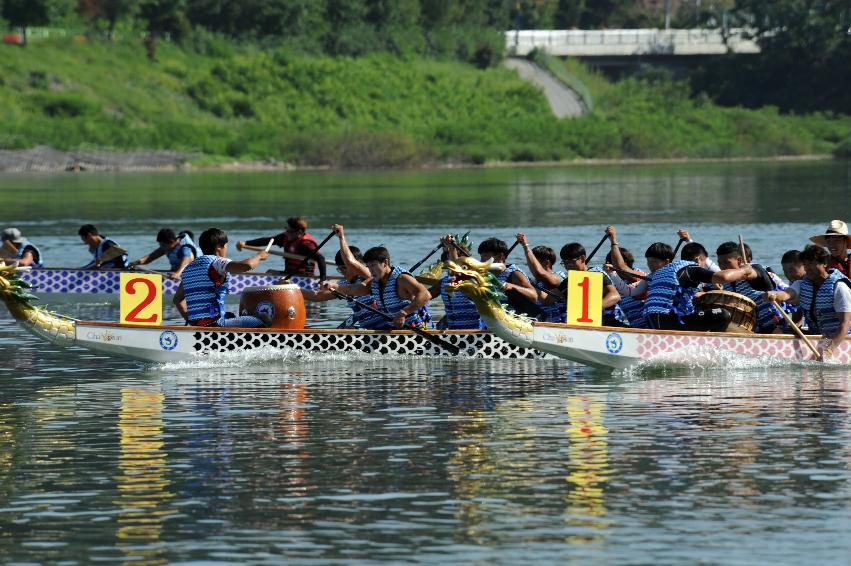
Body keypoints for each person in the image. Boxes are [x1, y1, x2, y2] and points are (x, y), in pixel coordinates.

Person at [607, 229, 731, 332]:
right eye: (648, 262)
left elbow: (709, 274)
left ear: (667, 262)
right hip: (665, 320)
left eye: (654, 262)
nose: (650, 265)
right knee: (721, 314)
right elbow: (628, 291)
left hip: (664, 319)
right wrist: (612, 274)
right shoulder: (651, 276)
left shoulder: (678, 272)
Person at [764, 244, 851, 360]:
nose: (807, 268)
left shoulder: (839, 287)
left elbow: (845, 324)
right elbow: (787, 294)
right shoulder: (801, 284)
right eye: (805, 264)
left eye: (811, 263)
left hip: (839, 338)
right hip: (817, 335)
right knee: (778, 331)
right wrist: (774, 295)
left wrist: (828, 349)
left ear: (824, 264)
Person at [173, 228, 270, 327]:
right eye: (226, 245)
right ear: (219, 246)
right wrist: (259, 256)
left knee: (231, 315)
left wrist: (192, 322)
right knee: (263, 317)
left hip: (198, 324)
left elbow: (177, 300)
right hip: (216, 324)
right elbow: (248, 265)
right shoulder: (217, 262)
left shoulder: (188, 268)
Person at [322, 246, 431, 330]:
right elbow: (356, 289)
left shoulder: (402, 278)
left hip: (417, 330)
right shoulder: (375, 282)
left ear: (385, 263)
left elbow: (426, 295)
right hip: (395, 332)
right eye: (369, 267)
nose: (371, 270)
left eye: (373, 265)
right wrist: (335, 286)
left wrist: (403, 313)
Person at [301, 224, 372, 328]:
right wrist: (289, 289)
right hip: (366, 327)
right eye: (340, 269)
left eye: (344, 268)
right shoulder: (344, 283)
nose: (342, 272)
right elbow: (317, 295)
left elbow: (350, 261)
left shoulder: (370, 275)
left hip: (385, 328)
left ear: (360, 264)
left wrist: (341, 236)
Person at [714, 241, 785, 334]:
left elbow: (751, 272)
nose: (722, 267)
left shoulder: (753, 270)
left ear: (739, 260)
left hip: (774, 325)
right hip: (751, 329)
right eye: (720, 263)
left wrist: (746, 270)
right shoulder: (724, 283)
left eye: (726, 262)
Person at [550, 241, 623, 326]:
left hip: (610, 322)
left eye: (572, 262)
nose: (568, 266)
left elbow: (615, 296)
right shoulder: (569, 280)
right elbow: (548, 299)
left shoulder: (596, 273)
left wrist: (592, 309)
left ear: (582, 258)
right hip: (587, 324)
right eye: (565, 263)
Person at [237, 216, 327, 280]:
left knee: (269, 274)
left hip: (304, 278)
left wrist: (322, 280)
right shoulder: (285, 237)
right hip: (289, 274)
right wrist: (246, 243)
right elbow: (266, 240)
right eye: (285, 229)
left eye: (289, 231)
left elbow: (321, 258)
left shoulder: (306, 244)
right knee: (269, 272)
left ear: (299, 232)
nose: (286, 233)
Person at [426, 235, 483, 329]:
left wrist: (452, 248)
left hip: (475, 332)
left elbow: (458, 271)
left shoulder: (473, 279)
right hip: (453, 329)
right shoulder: (444, 282)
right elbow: (424, 296)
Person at [478, 237, 543, 319]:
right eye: (481, 256)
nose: (481, 260)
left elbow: (534, 295)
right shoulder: (486, 276)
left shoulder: (513, 273)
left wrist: (512, 286)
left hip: (514, 325)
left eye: (486, 256)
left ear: (501, 256)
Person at [515, 233, 565, 323]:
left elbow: (539, 273)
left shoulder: (559, 277)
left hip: (558, 324)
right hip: (539, 323)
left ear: (547, 262)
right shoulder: (534, 281)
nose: (530, 264)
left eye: (534, 260)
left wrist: (525, 246)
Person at [128, 228, 200, 280]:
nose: (161, 247)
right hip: (177, 272)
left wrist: (178, 273)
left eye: (163, 245)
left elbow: (186, 261)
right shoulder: (167, 246)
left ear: (171, 241)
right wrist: (134, 263)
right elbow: (150, 257)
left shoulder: (184, 247)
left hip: (195, 273)